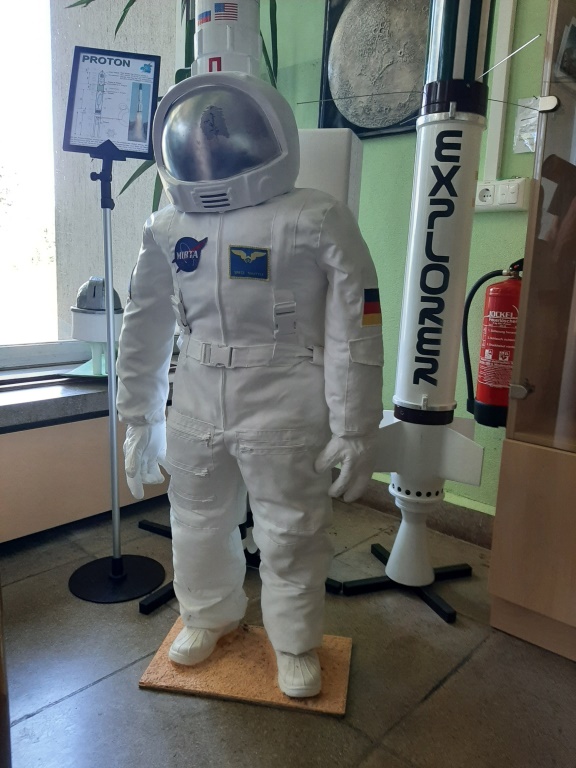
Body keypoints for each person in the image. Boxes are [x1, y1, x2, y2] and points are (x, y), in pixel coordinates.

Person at [116, 71, 383, 698]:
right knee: (195, 520)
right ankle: (207, 616)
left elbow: (357, 327)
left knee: (290, 530)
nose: (208, 150)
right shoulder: (167, 228)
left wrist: (355, 427)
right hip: (197, 394)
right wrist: (139, 415)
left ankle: (293, 643)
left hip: (284, 394)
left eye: (222, 135)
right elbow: (144, 322)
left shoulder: (315, 218)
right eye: (195, 139)